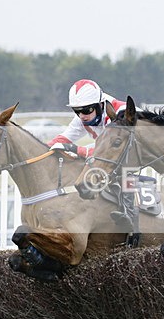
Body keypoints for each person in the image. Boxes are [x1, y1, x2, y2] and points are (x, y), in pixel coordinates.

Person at [48, 79, 135, 231]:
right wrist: (39, 151)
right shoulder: (84, 117)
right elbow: (62, 139)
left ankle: (130, 216)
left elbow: (106, 151)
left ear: (101, 105)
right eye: (77, 111)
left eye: (87, 110)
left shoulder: (118, 114)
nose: (82, 116)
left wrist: (75, 149)